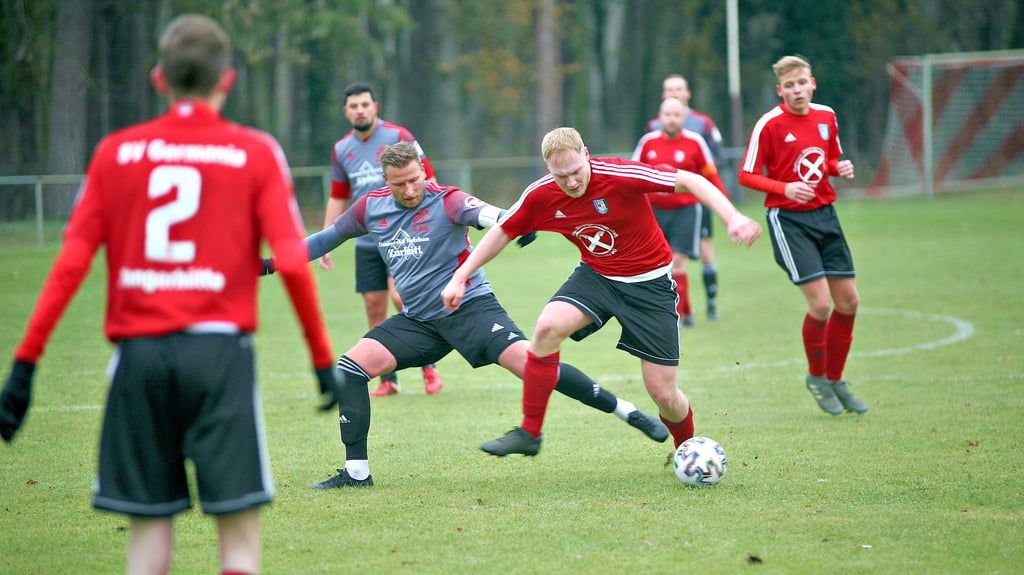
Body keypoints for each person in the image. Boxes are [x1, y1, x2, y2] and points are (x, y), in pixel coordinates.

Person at [0, 14, 341, 575]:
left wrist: (24, 364)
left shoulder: (115, 152)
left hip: (139, 358)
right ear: (227, 80)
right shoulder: (254, 151)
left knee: (147, 545)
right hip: (220, 357)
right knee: (239, 544)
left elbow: (71, 265)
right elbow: (292, 264)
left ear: (159, 79)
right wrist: (321, 360)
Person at [263, 142, 669, 487]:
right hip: (419, 322)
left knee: (533, 364)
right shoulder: (370, 208)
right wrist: (269, 264)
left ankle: (626, 411)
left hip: (471, 310)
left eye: (415, 179)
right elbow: (325, 239)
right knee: (350, 369)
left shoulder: (448, 199)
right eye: (399, 184)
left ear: (423, 171)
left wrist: (514, 223)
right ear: (385, 181)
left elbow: (489, 214)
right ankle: (356, 473)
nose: (410, 189)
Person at [440, 127, 762, 457]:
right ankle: (529, 433)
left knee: (664, 395)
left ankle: (687, 448)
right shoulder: (541, 194)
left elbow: (691, 180)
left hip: (650, 285)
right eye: (561, 176)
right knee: (547, 328)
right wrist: (461, 276)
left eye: (576, 172)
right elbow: (503, 231)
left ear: (586, 154)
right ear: (548, 169)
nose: (571, 182)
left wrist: (733, 218)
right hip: (598, 277)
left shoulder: (620, 175)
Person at [737, 55, 868, 415]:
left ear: (813, 84)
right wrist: (785, 188)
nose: (796, 90)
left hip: (826, 215)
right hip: (789, 220)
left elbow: (826, 161)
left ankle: (836, 380)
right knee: (821, 305)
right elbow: (746, 175)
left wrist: (838, 167)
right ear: (780, 90)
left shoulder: (826, 116)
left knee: (849, 302)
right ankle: (817, 378)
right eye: (789, 86)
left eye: (801, 83)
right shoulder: (769, 124)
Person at [321, 81, 443, 397]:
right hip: (367, 242)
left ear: (375, 107)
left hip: (403, 235)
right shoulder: (341, 149)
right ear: (346, 112)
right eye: (354, 106)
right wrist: (326, 238)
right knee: (374, 307)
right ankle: (388, 380)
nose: (360, 110)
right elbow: (338, 195)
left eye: (365, 104)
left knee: (401, 297)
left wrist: (436, 220)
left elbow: (428, 179)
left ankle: (428, 366)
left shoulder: (398, 136)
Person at [632, 97, 730, 328]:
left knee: (677, 262)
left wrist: (727, 211)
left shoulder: (695, 142)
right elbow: (634, 175)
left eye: (676, 115)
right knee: (658, 264)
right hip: (654, 211)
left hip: (686, 210)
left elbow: (711, 175)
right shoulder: (648, 142)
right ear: (660, 117)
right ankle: (686, 310)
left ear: (684, 117)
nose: (672, 119)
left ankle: (674, 318)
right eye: (667, 115)